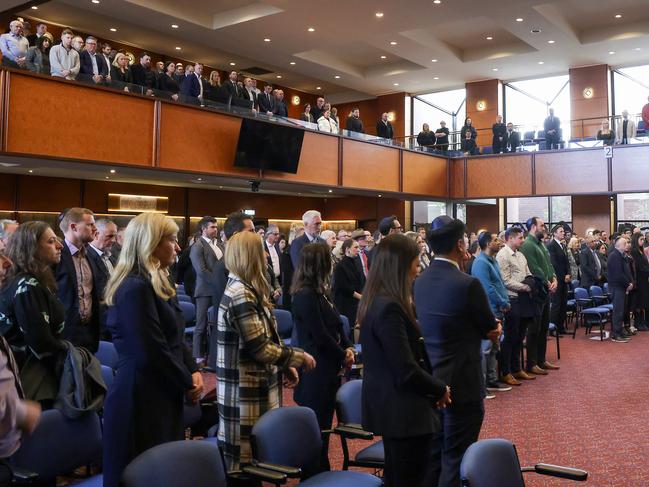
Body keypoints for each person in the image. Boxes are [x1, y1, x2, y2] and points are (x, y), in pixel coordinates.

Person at [102, 213, 202, 487]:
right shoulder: (134, 287)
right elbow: (150, 350)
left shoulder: (155, 281)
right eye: (171, 239)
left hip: (160, 390)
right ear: (151, 244)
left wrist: (192, 370)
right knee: (141, 474)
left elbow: (174, 337)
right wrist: (186, 382)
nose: (178, 246)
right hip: (139, 396)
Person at [216, 231, 315, 471]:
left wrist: (285, 365)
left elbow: (266, 337)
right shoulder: (241, 293)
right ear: (249, 255)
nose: (265, 254)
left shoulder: (247, 288)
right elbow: (261, 348)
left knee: (257, 464)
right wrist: (300, 358)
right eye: (260, 249)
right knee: (245, 468)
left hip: (254, 389)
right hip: (244, 395)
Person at [414, 216, 500, 487]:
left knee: (436, 452)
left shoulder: (420, 280)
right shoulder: (467, 283)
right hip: (464, 382)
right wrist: (492, 328)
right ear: (460, 245)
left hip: (432, 379)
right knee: (457, 456)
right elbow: (490, 328)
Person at [359, 234, 449, 487]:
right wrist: (440, 388)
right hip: (403, 412)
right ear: (400, 264)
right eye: (416, 261)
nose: (418, 268)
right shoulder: (389, 307)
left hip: (397, 409)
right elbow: (405, 369)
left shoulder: (381, 300)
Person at [291, 243, 354, 472]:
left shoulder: (320, 291)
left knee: (325, 425)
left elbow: (337, 323)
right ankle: (313, 474)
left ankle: (321, 470)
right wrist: (343, 354)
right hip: (315, 368)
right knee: (316, 428)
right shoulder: (304, 294)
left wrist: (347, 348)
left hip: (328, 365)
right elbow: (319, 335)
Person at [0, 222, 67, 405]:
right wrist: (70, 350)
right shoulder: (27, 286)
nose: (60, 245)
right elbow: (41, 344)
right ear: (32, 248)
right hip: (31, 379)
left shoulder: (32, 280)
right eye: (52, 241)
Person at [55, 208, 101, 352]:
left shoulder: (92, 256)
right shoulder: (57, 255)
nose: (95, 229)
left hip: (89, 331)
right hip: (65, 333)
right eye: (90, 224)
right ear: (74, 227)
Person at [471, 232, 512, 394]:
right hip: (489, 309)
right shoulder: (481, 263)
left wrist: (505, 301)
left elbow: (499, 283)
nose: (499, 242)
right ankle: (482, 386)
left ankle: (492, 380)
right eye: (495, 240)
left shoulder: (492, 260)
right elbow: (487, 289)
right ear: (488, 244)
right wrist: (503, 302)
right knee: (486, 348)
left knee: (495, 348)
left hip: (498, 308)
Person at [496, 226, 536, 386]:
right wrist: (525, 286)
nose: (523, 240)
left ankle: (516, 368)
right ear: (510, 238)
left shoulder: (520, 254)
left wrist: (531, 282)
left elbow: (528, 273)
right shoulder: (503, 255)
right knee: (511, 337)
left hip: (524, 299)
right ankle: (506, 372)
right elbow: (505, 280)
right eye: (520, 237)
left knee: (520, 336)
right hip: (512, 299)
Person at [520, 217, 559, 375]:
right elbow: (534, 268)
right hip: (537, 292)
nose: (545, 227)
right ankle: (532, 363)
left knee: (543, 328)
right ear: (534, 227)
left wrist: (554, 278)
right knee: (534, 329)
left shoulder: (541, 243)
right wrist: (547, 282)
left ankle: (541, 360)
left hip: (545, 290)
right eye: (542, 225)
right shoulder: (528, 244)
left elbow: (549, 265)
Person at [87, 219, 118, 340]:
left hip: (114, 318)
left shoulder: (112, 258)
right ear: (96, 234)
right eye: (110, 236)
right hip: (99, 323)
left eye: (115, 236)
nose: (114, 240)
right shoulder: (86, 257)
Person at [332, 239, 364, 328]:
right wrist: (361, 297)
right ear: (347, 249)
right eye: (355, 247)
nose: (358, 249)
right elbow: (345, 288)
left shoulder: (356, 263)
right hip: (345, 303)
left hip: (355, 302)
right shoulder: (340, 266)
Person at [608, 236, 634, 342]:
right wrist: (628, 283)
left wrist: (631, 282)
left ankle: (619, 331)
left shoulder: (621, 255)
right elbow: (618, 274)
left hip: (622, 287)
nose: (627, 245)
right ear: (618, 246)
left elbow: (626, 271)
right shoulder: (614, 256)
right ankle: (615, 334)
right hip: (617, 287)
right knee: (618, 311)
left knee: (622, 311)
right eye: (624, 243)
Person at [546, 224, 570, 335]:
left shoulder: (563, 245)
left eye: (563, 231)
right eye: (561, 231)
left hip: (564, 278)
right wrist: (562, 276)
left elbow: (567, 262)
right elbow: (554, 264)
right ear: (555, 233)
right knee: (556, 304)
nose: (563, 233)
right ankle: (553, 328)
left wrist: (568, 273)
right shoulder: (551, 245)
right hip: (557, 278)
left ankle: (560, 327)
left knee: (563, 303)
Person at [630, 233, 649, 331]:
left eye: (643, 239)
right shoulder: (634, 251)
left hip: (644, 280)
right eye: (641, 239)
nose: (643, 241)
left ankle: (643, 322)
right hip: (639, 280)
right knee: (639, 302)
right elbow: (639, 267)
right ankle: (638, 323)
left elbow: (646, 265)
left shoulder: (641, 251)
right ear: (636, 240)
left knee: (644, 302)